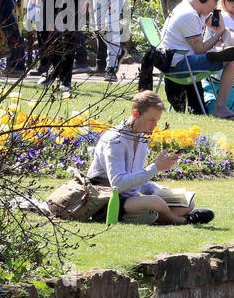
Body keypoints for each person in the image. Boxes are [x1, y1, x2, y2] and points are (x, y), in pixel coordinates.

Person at [86, 90, 215, 225]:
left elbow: (138, 180)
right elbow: (118, 184)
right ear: (136, 113)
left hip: (131, 199)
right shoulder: (115, 141)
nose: (154, 126)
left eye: (157, 121)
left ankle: (142, 216)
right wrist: (155, 168)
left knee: (186, 202)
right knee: (156, 202)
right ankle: (183, 220)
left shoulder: (141, 138)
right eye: (151, 120)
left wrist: (163, 191)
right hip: (106, 200)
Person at [155, 0, 234, 118]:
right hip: (178, 65)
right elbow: (200, 49)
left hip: (183, 59)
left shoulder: (192, 8)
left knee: (232, 54)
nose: (216, 4)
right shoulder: (189, 15)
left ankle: (220, 52)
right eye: (214, 0)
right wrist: (218, 34)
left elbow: (228, 31)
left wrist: (225, 41)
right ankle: (220, 107)